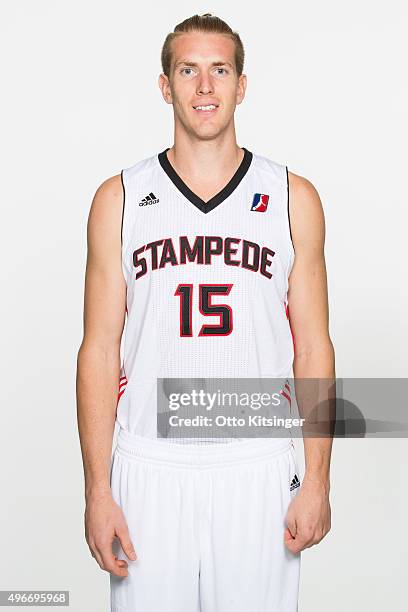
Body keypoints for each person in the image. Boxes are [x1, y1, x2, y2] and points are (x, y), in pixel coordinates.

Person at [76, 13, 334, 612]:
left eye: (219, 70)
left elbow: (314, 347)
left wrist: (317, 478)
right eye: (188, 71)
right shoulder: (119, 200)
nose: (205, 87)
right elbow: (98, 349)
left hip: (257, 463)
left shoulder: (294, 198)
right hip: (148, 460)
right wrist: (97, 490)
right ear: (165, 86)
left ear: (241, 85)